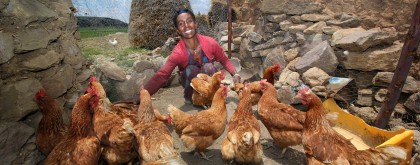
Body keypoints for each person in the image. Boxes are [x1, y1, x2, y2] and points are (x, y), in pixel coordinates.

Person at [127, 8, 240, 104]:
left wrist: (235, 74)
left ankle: (212, 97)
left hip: (209, 86)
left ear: (195, 24)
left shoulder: (210, 42)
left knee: (209, 67)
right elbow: (162, 75)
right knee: (191, 69)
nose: (186, 26)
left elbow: (224, 59)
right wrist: (141, 94)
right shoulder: (178, 53)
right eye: (181, 24)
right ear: (177, 30)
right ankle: (192, 98)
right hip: (191, 87)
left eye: (189, 21)